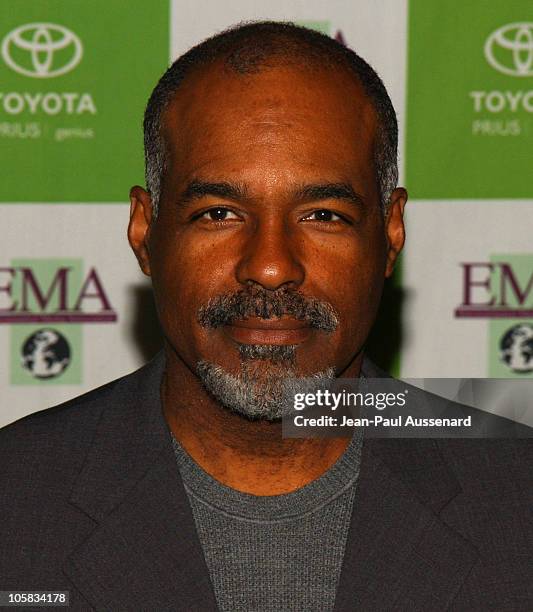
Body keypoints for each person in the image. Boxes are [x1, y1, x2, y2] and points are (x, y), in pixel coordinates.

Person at [0, 22, 531, 611]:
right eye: (220, 212)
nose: (272, 266)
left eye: (324, 215)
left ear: (392, 232)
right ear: (145, 232)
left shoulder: (517, 500)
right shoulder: (16, 502)